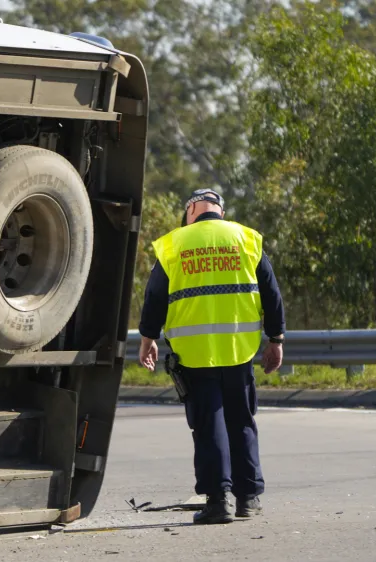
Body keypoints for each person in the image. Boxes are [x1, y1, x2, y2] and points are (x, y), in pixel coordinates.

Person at [137, 188, 285, 525]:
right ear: (219, 210)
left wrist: (148, 338)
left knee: (209, 426)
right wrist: (275, 339)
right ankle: (248, 499)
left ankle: (219, 502)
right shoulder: (247, 239)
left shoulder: (174, 244)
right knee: (242, 421)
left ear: (191, 211)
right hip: (238, 350)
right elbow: (271, 294)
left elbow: (155, 296)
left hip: (195, 354)